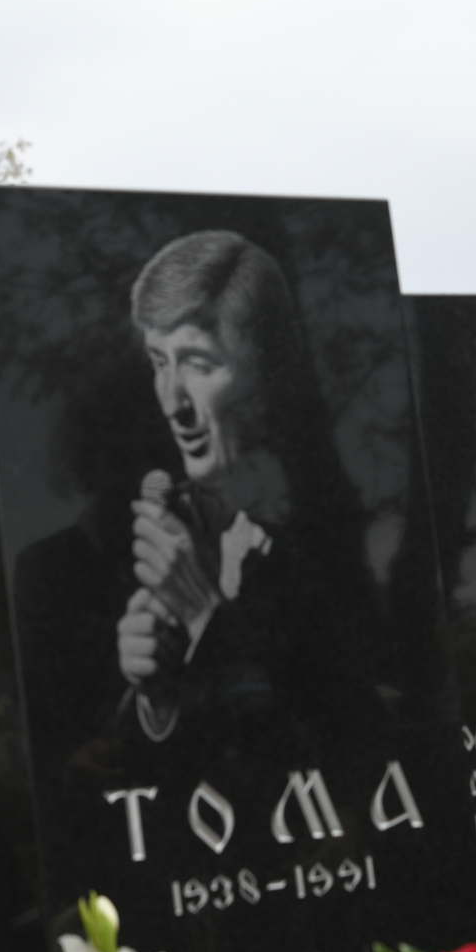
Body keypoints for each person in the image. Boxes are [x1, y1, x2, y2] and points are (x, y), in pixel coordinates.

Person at [114, 229, 381, 743]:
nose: (172, 403)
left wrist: (202, 617)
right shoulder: (183, 529)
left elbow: (350, 731)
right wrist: (157, 690)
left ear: (265, 370)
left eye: (198, 362)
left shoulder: (327, 534)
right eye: (159, 363)